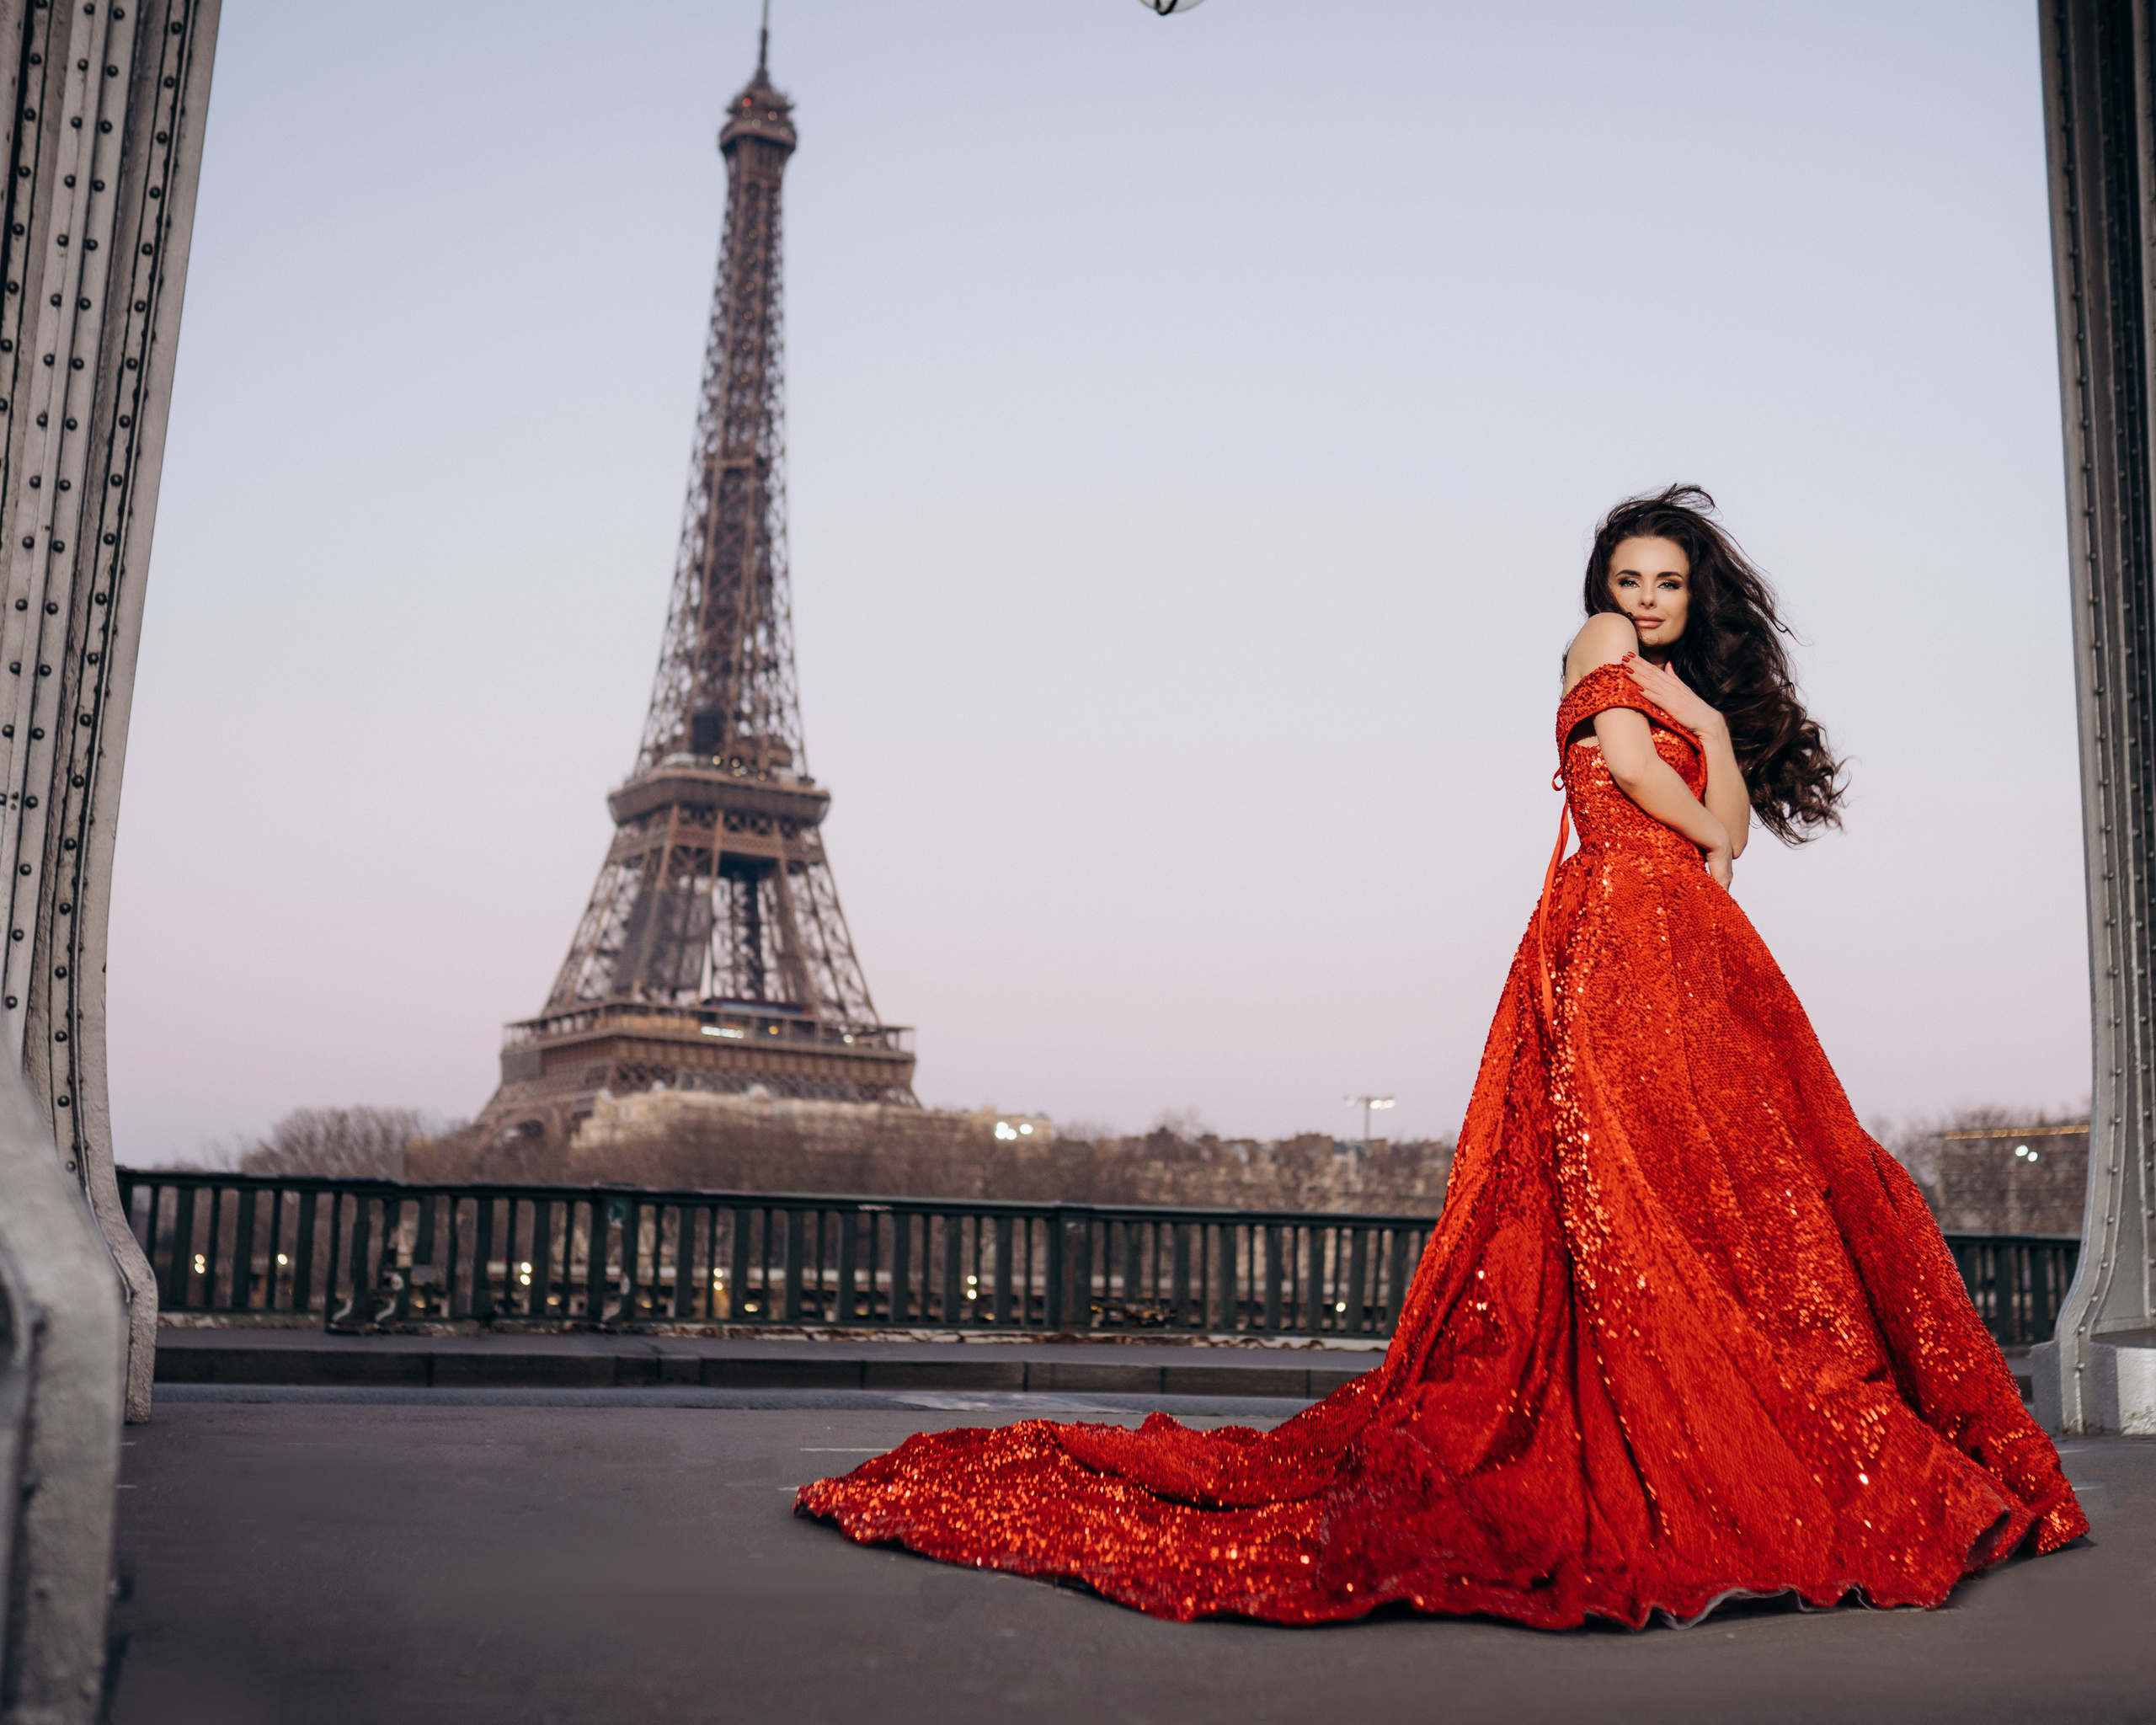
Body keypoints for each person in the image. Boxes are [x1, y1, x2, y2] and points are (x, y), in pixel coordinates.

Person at [795, 484, 2087, 1627]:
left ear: (1696, 596)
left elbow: (1734, 832)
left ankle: (1707, 1425)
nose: (1643, 602)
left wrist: (1716, 736)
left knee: (1711, 1191)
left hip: (1694, 946)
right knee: (1630, 1180)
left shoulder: (1676, 683)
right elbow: (1650, 787)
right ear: (1603, 594)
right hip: (1627, 933)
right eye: (1629, 582)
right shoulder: (1597, 652)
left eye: (1667, 585)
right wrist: (1695, 773)